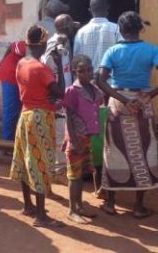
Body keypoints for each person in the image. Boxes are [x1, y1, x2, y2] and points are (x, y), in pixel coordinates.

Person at [96, 11, 158, 218]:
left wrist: (122, 99)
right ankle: (138, 207)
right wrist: (148, 95)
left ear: (120, 30)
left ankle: (111, 203)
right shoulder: (152, 50)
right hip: (143, 104)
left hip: (118, 104)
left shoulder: (112, 51)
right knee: (144, 151)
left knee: (113, 150)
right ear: (141, 28)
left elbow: (100, 80)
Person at [10, 25, 64, 228]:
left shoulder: (21, 63)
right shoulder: (41, 69)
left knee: (25, 160)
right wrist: (57, 64)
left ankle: (28, 206)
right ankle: (41, 216)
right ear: (42, 43)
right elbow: (61, 93)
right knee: (41, 162)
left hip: (25, 116)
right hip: (40, 117)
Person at [73, 0, 122, 199]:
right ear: (108, 8)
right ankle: (105, 177)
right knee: (107, 135)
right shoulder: (116, 29)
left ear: (89, 9)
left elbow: (76, 61)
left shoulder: (81, 32)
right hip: (109, 90)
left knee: (87, 132)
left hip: (86, 90)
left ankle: (88, 172)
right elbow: (120, 58)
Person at [62, 55, 103, 224]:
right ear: (75, 72)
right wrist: (73, 139)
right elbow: (68, 116)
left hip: (88, 138)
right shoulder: (72, 91)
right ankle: (72, 210)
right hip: (76, 139)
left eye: (89, 69)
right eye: (81, 71)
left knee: (81, 174)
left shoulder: (95, 90)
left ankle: (79, 206)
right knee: (74, 175)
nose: (86, 73)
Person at [42, 14, 76, 180]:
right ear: (64, 27)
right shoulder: (55, 45)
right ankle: (57, 168)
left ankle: (61, 166)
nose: (73, 29)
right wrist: (62, 96)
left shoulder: (64, 41)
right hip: (58, 95)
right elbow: (50, 70)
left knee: (64, 129)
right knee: (59, 130)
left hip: (65, 92)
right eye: (71, 26)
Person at [0, 40, 26, 141]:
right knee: (11, 111)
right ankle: (6, 143)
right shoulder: (25, 47)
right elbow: (12, 45)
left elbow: (11, 45)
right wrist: (2, 61)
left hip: (19, 77)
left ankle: (12, 141)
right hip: (10, 76)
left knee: (18, 110)